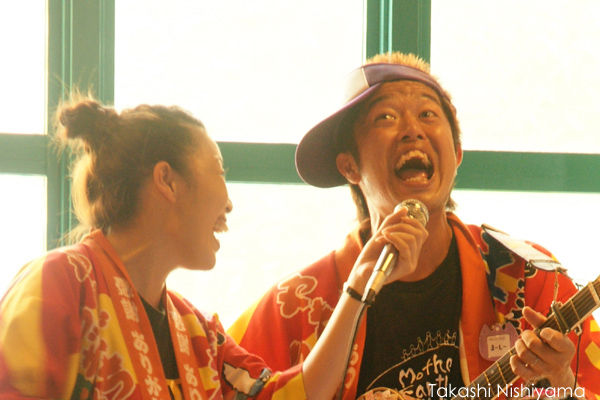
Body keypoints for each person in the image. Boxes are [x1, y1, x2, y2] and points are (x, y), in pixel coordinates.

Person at [228, 52, 600, 399]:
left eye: (428, 114)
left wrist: (563, 383)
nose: (413, 130)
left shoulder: (528, 279)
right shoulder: (295, 306)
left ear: (456, 154)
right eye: (386, 117)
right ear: (349, 166)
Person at [0, 95, 424, 399]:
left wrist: (356, 288)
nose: (229, 202)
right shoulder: (59, 283)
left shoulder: (196, 334)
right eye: (220, 171)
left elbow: (290, 394)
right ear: (167, 180)